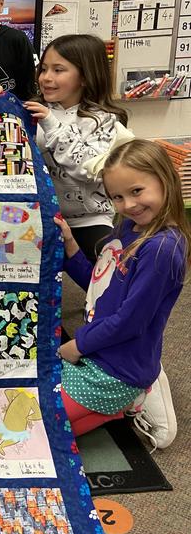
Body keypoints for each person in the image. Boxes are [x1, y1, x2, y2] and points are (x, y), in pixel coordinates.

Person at [55, 139, 190, 450]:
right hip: (103, 355)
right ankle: (130, 398)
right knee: (46, 421)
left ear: (165, 180)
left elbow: (130, 321)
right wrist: (72, 248)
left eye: (137, 191)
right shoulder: (128, 229)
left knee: (40, 424)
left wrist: (77, 346)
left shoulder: (162, 249)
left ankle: (141, 386)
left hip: (114, 370)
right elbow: (99, 286)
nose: (128, 204)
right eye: (117, 196)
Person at [24, 34, 131, 261]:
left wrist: (52, 125)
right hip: (41, 217)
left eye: (58, 70)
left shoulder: (104, 121)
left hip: (90, 220)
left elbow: (90, 171)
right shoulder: (31, 112)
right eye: (43, 69)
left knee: (110, 274)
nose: (46, 78)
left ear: (84, 77)